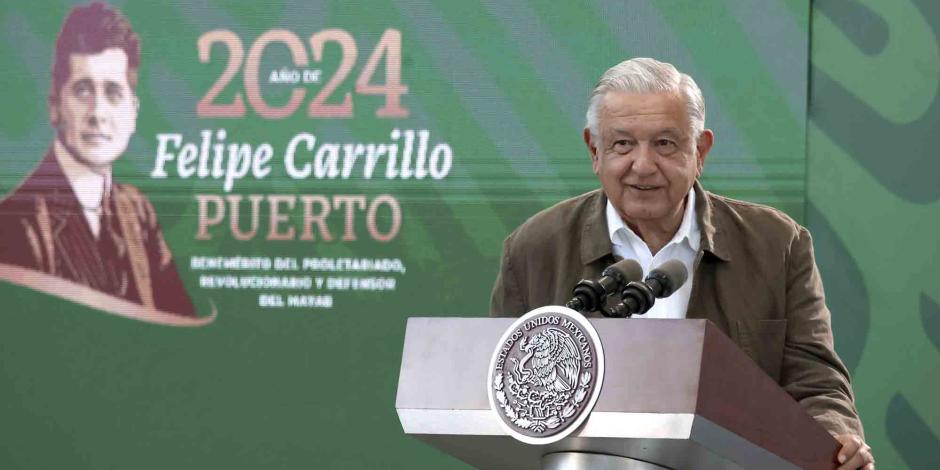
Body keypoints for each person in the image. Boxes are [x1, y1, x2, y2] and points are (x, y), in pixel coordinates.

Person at [490, 58, 873, 469]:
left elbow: (817, 384)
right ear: (594, 151)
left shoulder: (777, 244)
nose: (643, 165)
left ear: (700, 151)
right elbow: (500, 396)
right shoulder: (534, 248)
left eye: (665, 144)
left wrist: (834, 437)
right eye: (622, 144)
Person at [0, 2, 194, 316]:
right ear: (54, 105)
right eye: (82, 90)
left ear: (133, 113)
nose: (98, 113)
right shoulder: (17, 223)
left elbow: (182, 326)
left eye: (113, 92)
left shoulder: (138, 211)